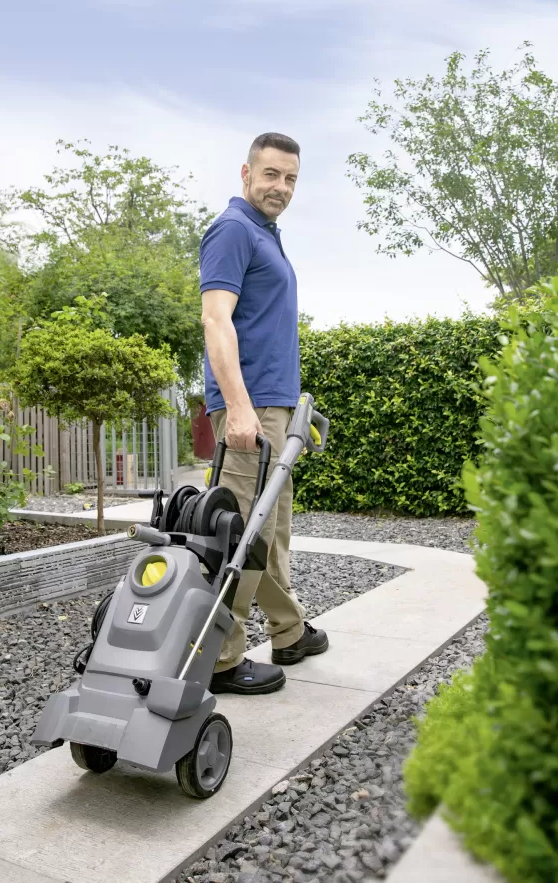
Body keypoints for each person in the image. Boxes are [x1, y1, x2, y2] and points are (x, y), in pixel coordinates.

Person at [199, 132, 329, 695]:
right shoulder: (232, 229)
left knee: (271, 532)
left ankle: (288, 632)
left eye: (290, 178)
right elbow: (216, 321)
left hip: (274, 406)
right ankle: (221, 659)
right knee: (242, 534)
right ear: (246, 173)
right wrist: (238, 408)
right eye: (271, 174)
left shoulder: (265, 235)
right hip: (249, 410)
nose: (281, 187)